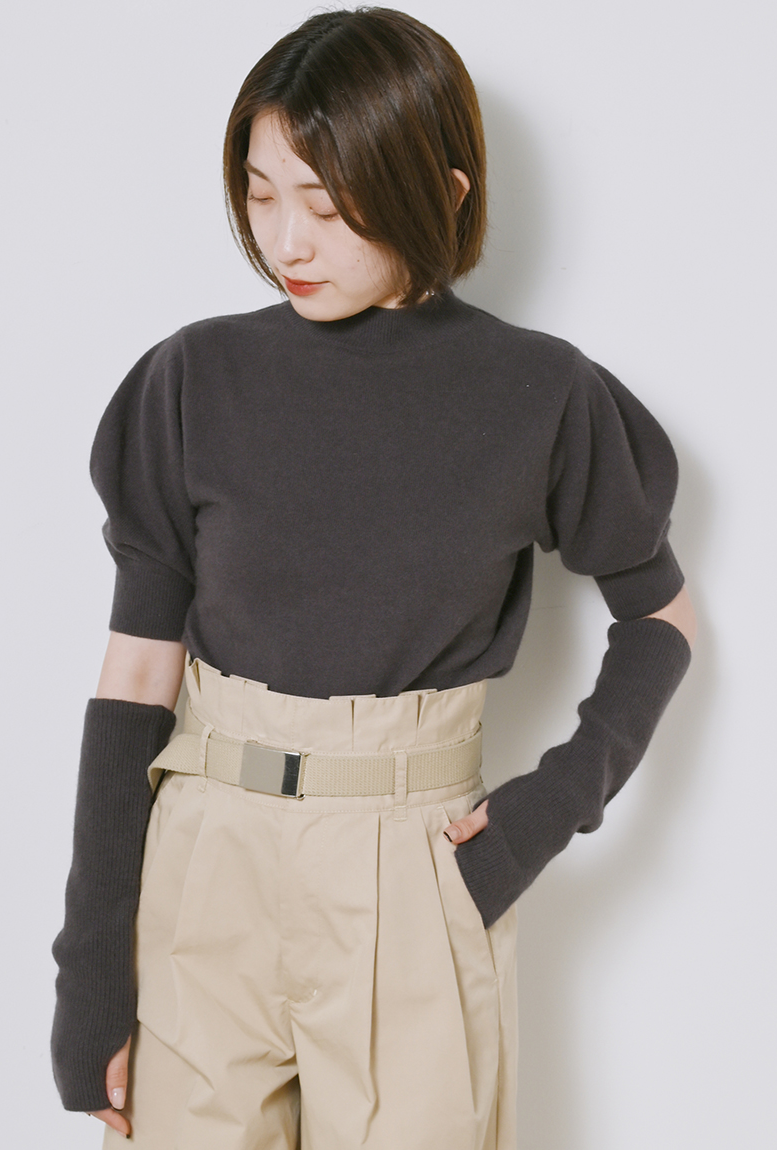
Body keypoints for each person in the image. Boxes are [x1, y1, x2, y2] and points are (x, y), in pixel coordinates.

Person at [51, 8, 696, 1148]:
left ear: (441, 191)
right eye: (260, 194)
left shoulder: (539, 393)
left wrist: (549, 809)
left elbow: (662, 616)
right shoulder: (192, 378)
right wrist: (92, 965)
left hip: (415, 869)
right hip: (206, 865)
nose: (285, 240)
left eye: (325, 202)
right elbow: (137, 675)